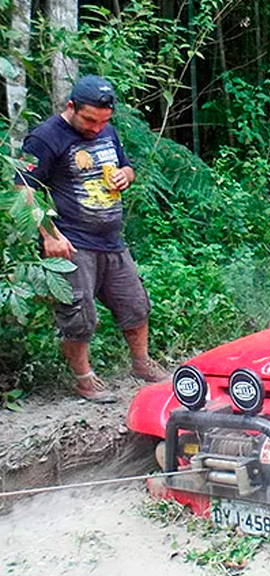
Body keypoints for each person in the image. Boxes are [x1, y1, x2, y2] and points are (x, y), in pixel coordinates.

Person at [16, 75, 168, 402]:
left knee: (136, 305)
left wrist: (125, 176)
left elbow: (128, 169)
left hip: (111, 239)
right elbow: (23, 190)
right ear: (71, 107)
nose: (96, 128)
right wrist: (49, 235)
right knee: (79, 315)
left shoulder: (107, 131)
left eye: (103, 121)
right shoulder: (45, 138)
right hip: (71, 241)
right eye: (89, 120)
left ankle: (141, 364)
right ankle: (84, 379)